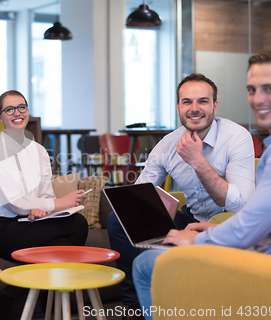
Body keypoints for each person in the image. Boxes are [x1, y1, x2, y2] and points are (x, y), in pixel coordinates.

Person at [132, 51, 271, 320]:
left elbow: (245, 219)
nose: (258, 99)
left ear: (215, 106)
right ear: (178, 107)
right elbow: (268, 220)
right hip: (241, 236)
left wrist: (198, 239)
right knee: (124, 222)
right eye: (252, 89)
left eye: (270, 89)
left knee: (145, 266)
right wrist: (212, 230)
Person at [107, 73, 256, 318]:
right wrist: (143, 206)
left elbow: (236, 203)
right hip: (191, 218)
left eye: (203, 101)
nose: (194, 108)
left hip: (231, 223)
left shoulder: (236, 137)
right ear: (178, 107)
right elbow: (139, 193)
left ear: (215, 106)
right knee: (119, 218)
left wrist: (198, 161)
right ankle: (135, 305)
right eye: (187, 102)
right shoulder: (168, 144)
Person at [0, 90, 89, 318]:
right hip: (3, 228)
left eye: (22, 107)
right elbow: (15, 204)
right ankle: (23, 293)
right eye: (9, 109)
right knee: (75, 228)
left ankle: (11, 293)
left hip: (32, 223)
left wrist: (43, 208)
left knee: (75, 228)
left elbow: (45, 194)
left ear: (28, 111)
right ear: (0, 117)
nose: (17, 113)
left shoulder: (39, 151)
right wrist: (59, 203)